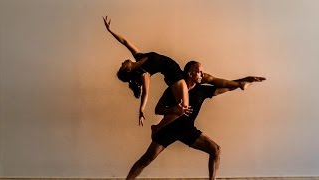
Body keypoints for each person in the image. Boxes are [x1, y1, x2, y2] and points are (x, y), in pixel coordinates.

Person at [126, 61, 266, 180]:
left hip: (188, 130)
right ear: (190, 74)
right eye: (199, 72)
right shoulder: (173, 89)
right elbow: (158, 109)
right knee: (146, 159)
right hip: (169, 129)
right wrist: (174, 110)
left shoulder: (201, 91)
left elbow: (226, 87)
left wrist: (245, 80)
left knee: (215, 150)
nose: (202, 75)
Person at [103, 16, 245, 127]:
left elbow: (125, 41)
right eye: (122, 65)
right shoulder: (143, 73)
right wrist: (141, 110)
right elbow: (146, 93)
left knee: (207, 78)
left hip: (178, 73)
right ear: (127, 69)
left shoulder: (138, 57)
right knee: (184, 109)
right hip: (176, 78)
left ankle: (238, 84)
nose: (122, 62)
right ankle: (158, 127)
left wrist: (110, 31)